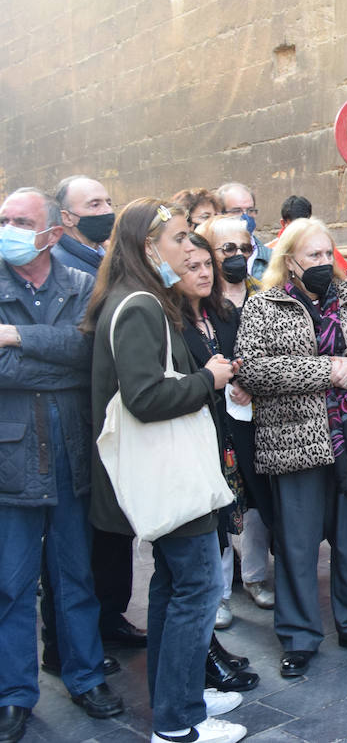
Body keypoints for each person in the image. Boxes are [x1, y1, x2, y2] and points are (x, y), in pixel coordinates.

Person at [85, 198, 245, 743]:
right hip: (171, 474)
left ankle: (180, 697)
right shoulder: (139, 306)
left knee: (175, 588)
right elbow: (145, 397)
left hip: (173, 472)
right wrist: (209, 379)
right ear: (148, 247)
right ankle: (178, 723)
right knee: (195, 589)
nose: (188, 247)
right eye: (179, 238)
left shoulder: (143, 300)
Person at [235, 218, 347, 679]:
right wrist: (327, 370)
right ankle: (299, 637)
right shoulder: (264, 306)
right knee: (297, 545)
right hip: (292, 442)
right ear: (290, 261)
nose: (324, 263)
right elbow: (255, 372)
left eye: (329, 255)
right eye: (313, 256)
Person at [0, 188, 124, 743]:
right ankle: (13, 694)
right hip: (12, 462)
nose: (8, 227)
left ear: (51, 232)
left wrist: (20, 339)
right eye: (3, 219)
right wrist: (44, 356)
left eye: (19, 220)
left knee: (76, 578)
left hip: (72, 456)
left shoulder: (79, 286)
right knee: (11, 586)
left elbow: (86, 355)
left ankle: (85, 675)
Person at [48, 175, 145, 658]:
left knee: (110, 530)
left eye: (109, 199)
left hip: (104, 418)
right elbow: (78, 346)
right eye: (94, 203)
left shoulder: (95, 261)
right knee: (82, 539)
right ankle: (71, 640)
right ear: (65, 217)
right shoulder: (64, 267)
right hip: (80, 419)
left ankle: (109, 616)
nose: (106, 208)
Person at [172, 234, 261, 694]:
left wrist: (242, 378)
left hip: (229, 435)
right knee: (197, 561)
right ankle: (203, 650)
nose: (205, 273)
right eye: (193, 266)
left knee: (225, 527)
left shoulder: (222, 312)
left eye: (208, 264)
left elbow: (240, 360)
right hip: (192, 443)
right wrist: (214, 378)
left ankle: (209, 647)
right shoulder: (168, 321)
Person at [52, 176, 115, 278]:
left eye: (109, 203)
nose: (108, 210)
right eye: (95, 205)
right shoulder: (59, 270)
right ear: (67, 218)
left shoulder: (110, 254)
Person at [216, 183, 272, 280]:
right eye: (237, 211)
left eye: (250, 210)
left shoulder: (272, 259)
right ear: (220, 214)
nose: (245, 217)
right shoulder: (210, 259)